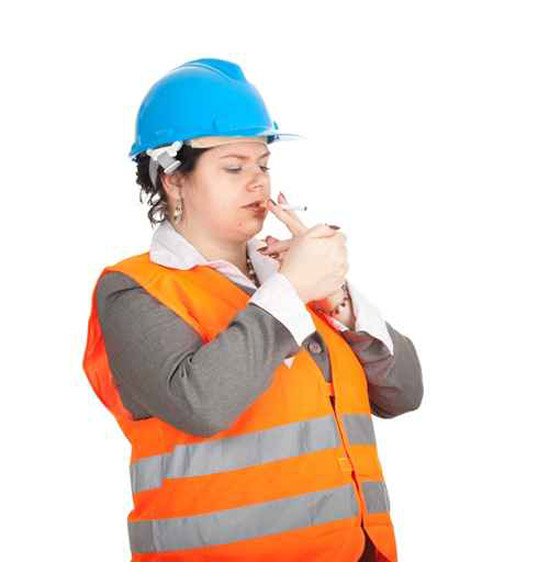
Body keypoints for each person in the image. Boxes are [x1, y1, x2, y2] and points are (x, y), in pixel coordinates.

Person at [82, 58, 424, 562]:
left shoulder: (288, 277)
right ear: (173, 180)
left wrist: (337, 297)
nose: (258, 183)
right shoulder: (132, 291)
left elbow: (404, 393)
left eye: (262, 165)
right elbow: (201, 405)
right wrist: (291, 289)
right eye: (233, 167)